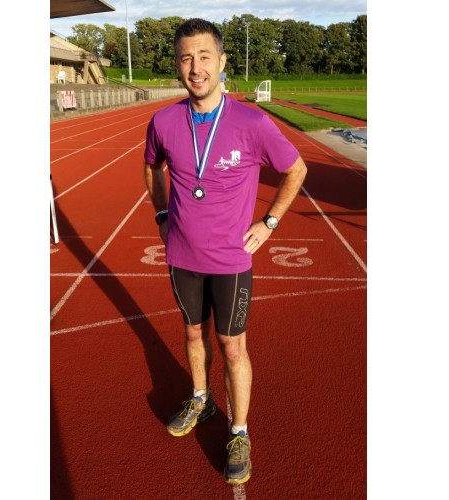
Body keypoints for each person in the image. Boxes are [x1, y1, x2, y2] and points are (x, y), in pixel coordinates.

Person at [143, 18, 307, 485]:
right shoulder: (164, 121)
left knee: (232, 347)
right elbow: (151, 168)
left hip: (231, 260)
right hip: (181, 255)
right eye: (186, 58)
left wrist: (269, 222)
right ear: (178, 64)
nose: (195, 68)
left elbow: (295, 170)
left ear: (221, 62)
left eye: (204, 57)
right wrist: (160, 216)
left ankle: (239, 431)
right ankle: (201, 397)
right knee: (193, 335)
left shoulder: (252, 122)